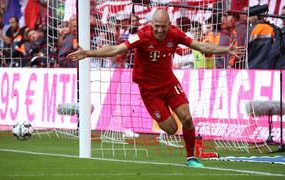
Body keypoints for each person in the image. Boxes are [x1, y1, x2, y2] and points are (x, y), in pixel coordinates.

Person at [67, 9, 245, 167]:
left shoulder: (175, 34)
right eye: (157, 26)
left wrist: (225, 50)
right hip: (149, 89)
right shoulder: (142, 35)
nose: (160, 30)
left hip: (169, 83)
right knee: (171, 129)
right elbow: (116, 50)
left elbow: (200, 46)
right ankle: (163, 116)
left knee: (188, 119)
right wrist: (88, 53)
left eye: (163, 27)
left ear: (169, 25)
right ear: (152, 24)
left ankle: (191, 158)